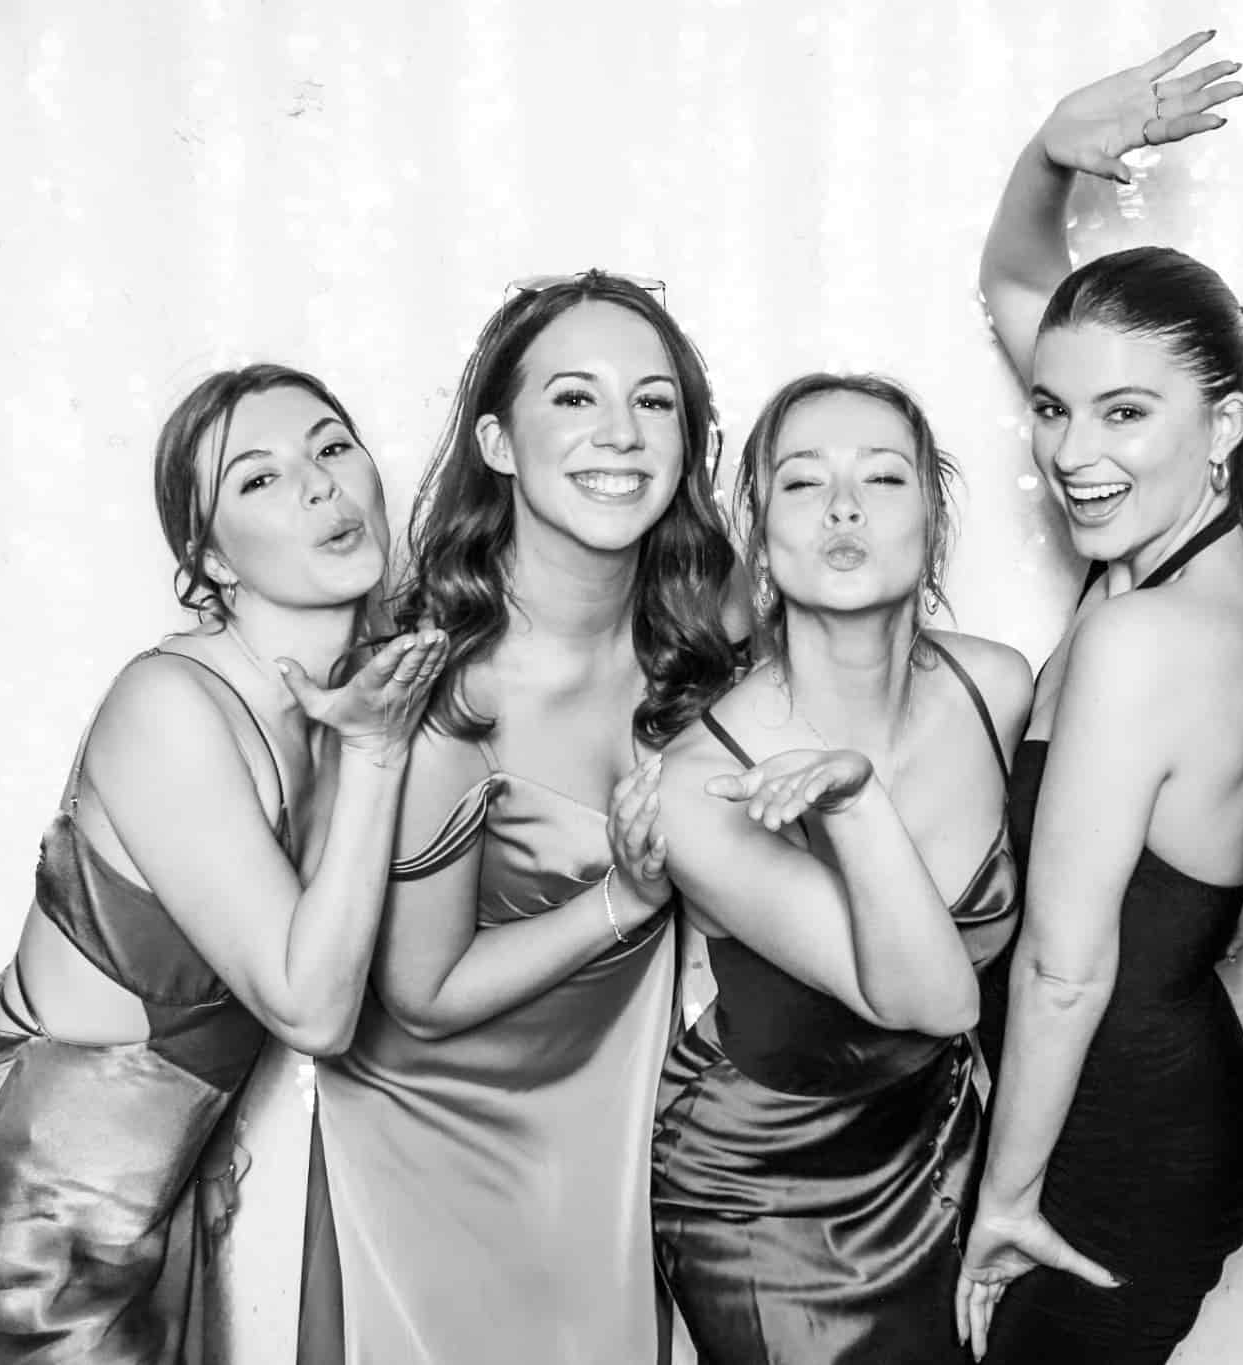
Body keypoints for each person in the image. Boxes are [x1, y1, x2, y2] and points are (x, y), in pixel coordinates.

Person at [0, 364, 447, 1364]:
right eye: (258, 478)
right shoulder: (171, 708)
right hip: (20, 1209)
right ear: (212, 557)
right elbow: (313, 1010)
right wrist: (374, 755)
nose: (318, 484)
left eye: (330, 446)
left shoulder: (359, 693)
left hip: (151, 1200)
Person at [300, 271, 742, 1364]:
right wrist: (625, 897)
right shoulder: (446, 691)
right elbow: (423, 994)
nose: (621, 432)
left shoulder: (704, 632)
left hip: (606, 1128)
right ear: (498, 443)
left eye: (653, 401)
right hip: (440, 1150)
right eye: (574, 397)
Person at [953, 34, 1243, 1363]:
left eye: (1124, 415)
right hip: (1138, 1104)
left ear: (1225, 423)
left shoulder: (1152, 634)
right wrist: (1050, 150)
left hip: (1111, 1144)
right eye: (1051, 410)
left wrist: (1004, 1199)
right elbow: (1015, 279)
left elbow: (1063, 966)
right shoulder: (1194, 553)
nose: (1072, 454)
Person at [650, 372, 1029, 1364]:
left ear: (932, 522)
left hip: (942, 1159)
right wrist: (856, 809)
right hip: (763, 1194)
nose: (844, 507)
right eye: (804, 481)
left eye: (883, 478)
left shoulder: (996, 687)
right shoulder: (696, 783)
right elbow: (933, 998)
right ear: (760, 534)